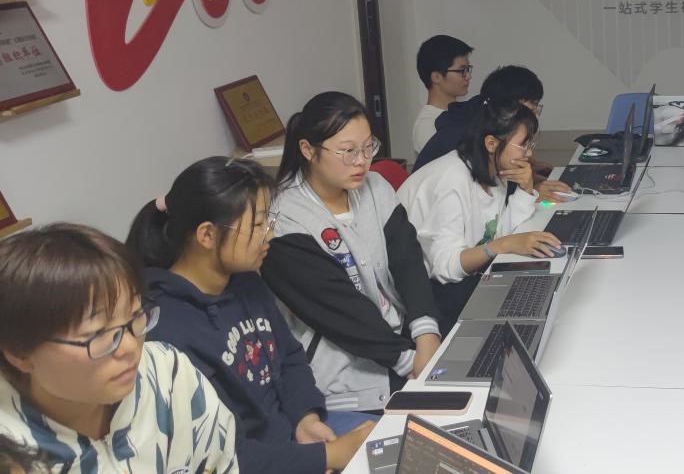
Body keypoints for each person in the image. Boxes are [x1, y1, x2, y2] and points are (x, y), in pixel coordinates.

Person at [127, 156, 375, 473]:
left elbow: (289, 356)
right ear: (207, 235)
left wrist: (305, 418)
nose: (269, 235)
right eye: (258, 225)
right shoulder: (168, 333)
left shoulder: (246, 282)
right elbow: (222, 455)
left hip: (294, 443)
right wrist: (327, 457)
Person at [0, 224, 238, 472]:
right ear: (19, 353)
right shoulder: (13, 457)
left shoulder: (168, 375)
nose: (130, 346)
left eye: (135, 315)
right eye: (98, 334)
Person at [261, 92, 443, 414]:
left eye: (368, 147)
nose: (362, 161)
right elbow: (338, 310)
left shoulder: (375, 187)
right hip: (348, 369)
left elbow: (407, 261)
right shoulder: (285, 220)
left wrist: (426, 331)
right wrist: (409, 361)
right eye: (348, 151)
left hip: (402, 339)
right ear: (308, 150)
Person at [399, 99, 563, 332]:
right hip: (425, 297)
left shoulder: (492, 170)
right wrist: (502, 245)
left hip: (459, 280)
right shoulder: (452, 180)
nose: (529, 153)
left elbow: (499, 233)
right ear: (491, 143)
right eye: (523, 145)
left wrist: (526, 190)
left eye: (530, 144)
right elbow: (446, 267)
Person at [414, 66, 568, 204]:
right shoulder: (462, 142)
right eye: (531, 110)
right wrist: (531, 193)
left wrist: (528, 176)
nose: (534, 117)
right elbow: (484, 203)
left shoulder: (482, 121)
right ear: (508, 107)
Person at [413, 35, 473, 154]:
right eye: (462, 70)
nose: (468, 76)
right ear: (436, 77)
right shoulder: (428, 124)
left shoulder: (462, 113)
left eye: (468, 69)